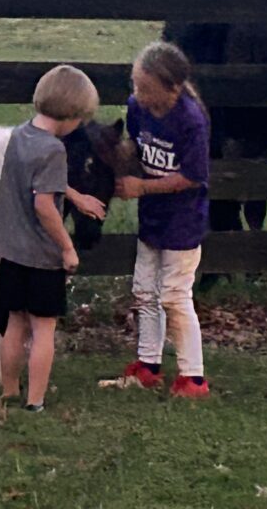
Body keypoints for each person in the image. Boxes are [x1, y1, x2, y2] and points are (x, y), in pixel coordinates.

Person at [0, 64, 102, 412]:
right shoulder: (54, 149)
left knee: (14, 327)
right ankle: (35, 401)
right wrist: (67, 248)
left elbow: (36, 180)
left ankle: (8, 391)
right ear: (70, 117)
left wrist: (75, 195)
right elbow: (44, 205)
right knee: (43, 331)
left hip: (11, 253)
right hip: (41, 257)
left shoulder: (20, 135)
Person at [114, 41, 211, 398]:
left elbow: (192, 177)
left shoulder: (191, 121)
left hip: (182, 222)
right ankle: (147, 364)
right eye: (135, 85)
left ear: (171, 88)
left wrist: (142, 186)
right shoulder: (137, 109)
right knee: (144, 292)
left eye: (145, 88)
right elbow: (136, 147)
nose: (137, 94)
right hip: (151, 218)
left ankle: (193, 377)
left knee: (173, 295)